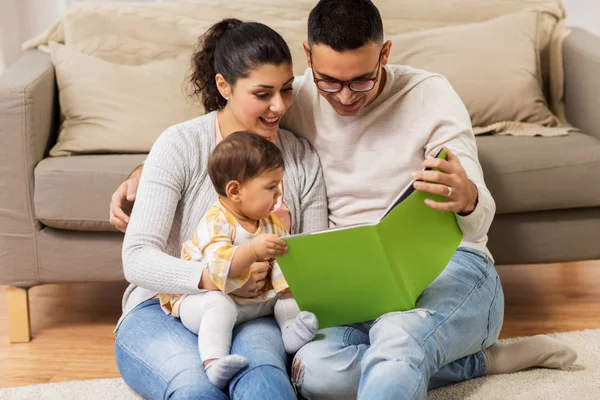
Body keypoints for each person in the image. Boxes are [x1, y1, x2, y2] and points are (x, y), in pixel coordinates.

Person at [110, 5, 577, 400]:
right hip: (215, 297)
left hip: (435, 266)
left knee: (383, 343)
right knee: (309, 372)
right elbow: (222, 132)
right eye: (329, 82)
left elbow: (305, 246)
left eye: (362, 81)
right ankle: (475, 363)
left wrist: (469, 197)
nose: (345, 97)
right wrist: (145, 173)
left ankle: (431, 351)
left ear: (385, 54)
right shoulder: (293, 100)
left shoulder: (420, 100)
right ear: (309, 57)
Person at [113, 19, 328, 399]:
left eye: (287, 90)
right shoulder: (180, 146)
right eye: (263, 94)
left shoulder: (301, 159)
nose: (279, 106)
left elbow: (311, 261)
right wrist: (216, 278)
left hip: (256, 311)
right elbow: (137, 257)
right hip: (164, 308)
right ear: (223, 86)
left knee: (264, 383)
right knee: (197, 389)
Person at [159, 131, 318, 389]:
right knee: (219, 306)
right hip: (201, 301)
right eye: (270, 187)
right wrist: (254, 250)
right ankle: (213, 362)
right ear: (235, 190)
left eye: (278, 185)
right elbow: (218, 266)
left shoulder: (269, 221)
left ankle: (290, 330)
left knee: (288, 291)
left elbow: (285, 263)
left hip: (252, 302)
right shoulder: (216, 220)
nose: (279, 194)